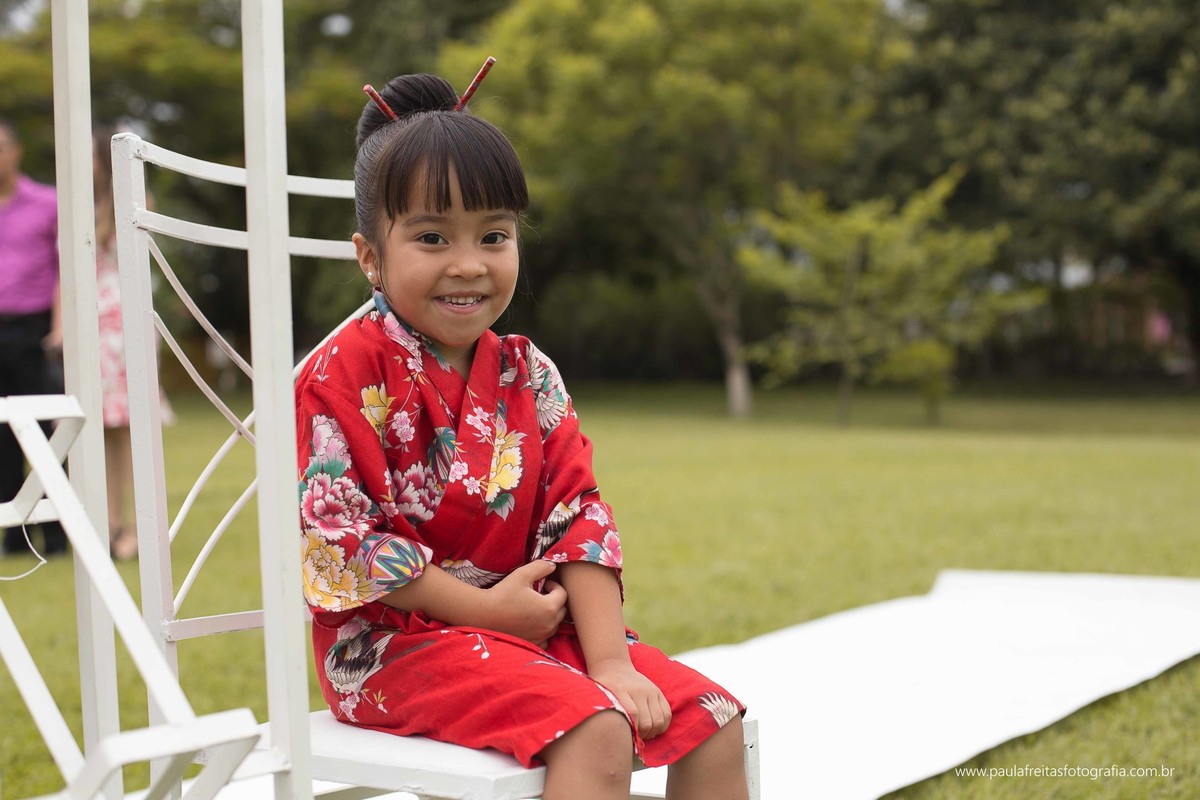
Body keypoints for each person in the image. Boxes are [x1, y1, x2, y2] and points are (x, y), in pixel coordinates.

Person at [294, 72, 749, 800]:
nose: (469, 263)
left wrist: (609, 661)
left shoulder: (527, 373)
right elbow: (342, 539)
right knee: (599, 728)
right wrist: (486, 611)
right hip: (390, 647)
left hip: (527, 632)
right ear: (370, 256)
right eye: (433, 237)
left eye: (494, 235)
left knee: (713, 719)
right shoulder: (339, 374)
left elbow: (579, 514)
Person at [0, 116, 67, 556]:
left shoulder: (47, 203)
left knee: (45, 431)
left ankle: (57, 532)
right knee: (2, 435)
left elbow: (65, 270)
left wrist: (60, 328)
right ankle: (13, 531)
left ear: (16, 150)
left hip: (35, 329)